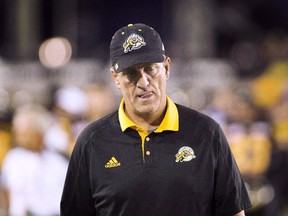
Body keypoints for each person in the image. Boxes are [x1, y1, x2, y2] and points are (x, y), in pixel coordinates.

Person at [60, 23, 252, 216]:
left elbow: (233, 212)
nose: (143, 82)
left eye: (150, 69)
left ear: (166, 68)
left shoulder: (207, 133)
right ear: (115, 78)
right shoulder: (92, 142)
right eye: (131, 73)